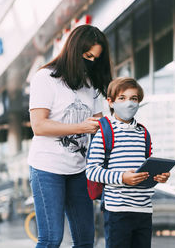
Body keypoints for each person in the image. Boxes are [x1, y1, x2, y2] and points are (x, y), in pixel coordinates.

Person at [28, 25, 112, 248]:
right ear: (73, 50)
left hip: (79, 170)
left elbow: (100, 125)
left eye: (95, 58)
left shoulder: (90, 85)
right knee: (51, 239)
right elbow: (39, 126)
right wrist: (81, 127)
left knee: (85, 241)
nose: (91, 62)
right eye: (87, 56)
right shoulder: (45, 78)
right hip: (47, 168)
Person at [86, 77, 171, 248]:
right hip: (117, 211)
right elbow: (91, 171)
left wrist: (159, 176)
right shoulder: (104, 132)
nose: (129, 103)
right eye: (122, 98)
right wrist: (122, 177)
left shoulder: (144, 134)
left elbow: (146, 170)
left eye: (134, 99)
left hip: (144, 210)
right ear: (110, 102)